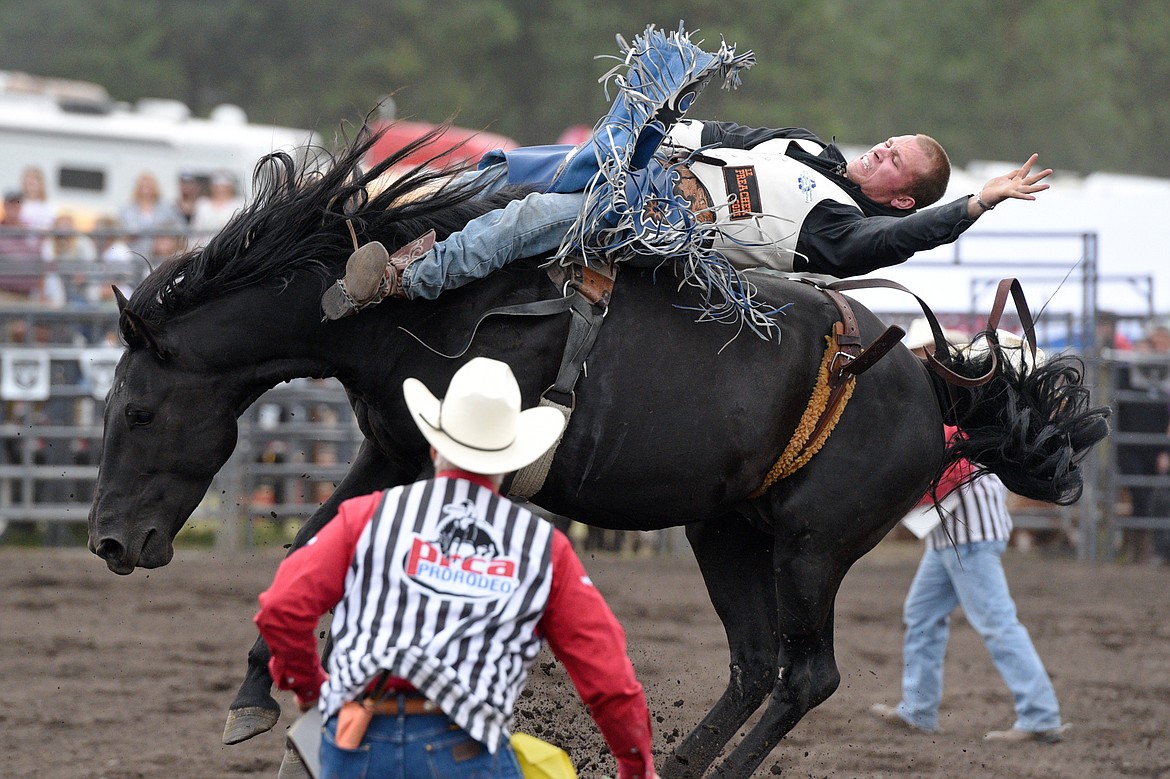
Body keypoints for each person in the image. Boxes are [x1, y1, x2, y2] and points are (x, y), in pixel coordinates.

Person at [321, 25, 1051, 322]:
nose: (880, 151)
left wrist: (975, 203)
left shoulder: (844, 229)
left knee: (531, 219)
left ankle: (402, 280)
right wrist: (658, 120)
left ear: (902, 194)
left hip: (663, 222)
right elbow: (734, 133)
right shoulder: (809, 151)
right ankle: (371, 217)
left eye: (895, 162)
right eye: (888, 142)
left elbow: (895, 245)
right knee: (500, 170)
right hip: (642, 164)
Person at [254, 357, 657, 778]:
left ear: (435, 445)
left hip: (357, 741)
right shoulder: (542, 549)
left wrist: (308, 686)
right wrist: (636, 765)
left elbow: (282, 607)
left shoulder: (367, 517)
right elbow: (609, 680)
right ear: (511, 461)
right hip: (464, 748)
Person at [868, 327, 1066, 744]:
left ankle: (1040, 713)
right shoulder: (955, 397)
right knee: (924, 616)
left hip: (966, 532)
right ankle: (919, 709)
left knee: (994, 622)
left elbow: (948, 462)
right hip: (955, 533)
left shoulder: (954, 401)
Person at [118, 171, 184, 258]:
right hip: (133, 253)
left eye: (148, 186)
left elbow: (181, 227)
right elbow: (119, 231)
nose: (145, 189)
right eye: (142, 186)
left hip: (160, 256)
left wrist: (167, 237)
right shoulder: (127, 208)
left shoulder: (167, 207)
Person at [191, 169, 244, 242]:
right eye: (217, 186)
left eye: (225, 186)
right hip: (204, 247)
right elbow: (196, 228)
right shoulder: (202, 204)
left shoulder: (240, 203)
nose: (221, 189)